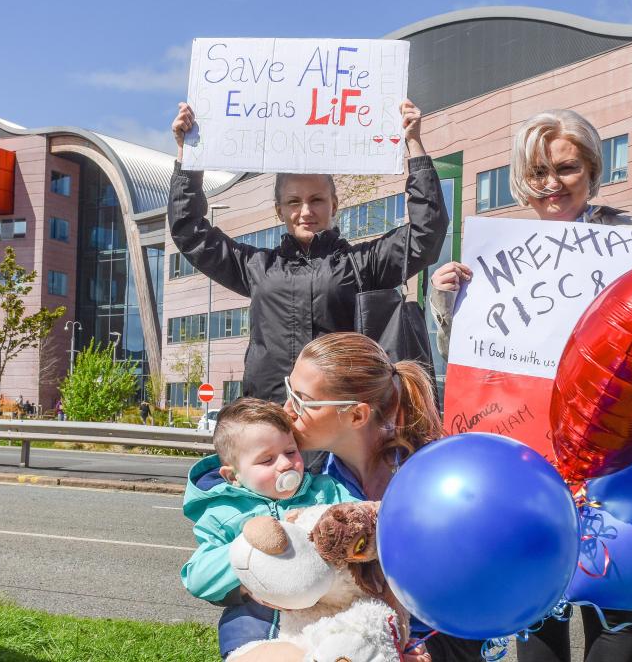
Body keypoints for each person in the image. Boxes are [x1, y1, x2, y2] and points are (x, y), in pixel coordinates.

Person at [428, 109, 632, 662]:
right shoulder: (498, 250)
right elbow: (468, 354)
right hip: (529, 441)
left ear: (593, 169)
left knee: (611, 596)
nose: (551, 183)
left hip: (618, 440)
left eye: (566, 167)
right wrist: (445, 301)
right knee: (538, 593)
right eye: (536, 172)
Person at [168, 100, 449, 411]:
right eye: (293, 202)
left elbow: (426, 232)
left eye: (316, 199)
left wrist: (414, 142)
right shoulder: (257, 267)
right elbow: (189, 232)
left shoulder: (362, 265)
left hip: (340, 424)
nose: (305, 211)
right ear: (279, 210)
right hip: (272, 423)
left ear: (334, 205)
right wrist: (188, 155)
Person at [229, 332, 479, 662]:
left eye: (302, 401)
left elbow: (475, 594)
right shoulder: (304, 478)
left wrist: (428, 648)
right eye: (289, 391)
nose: (287, 409)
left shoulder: (436, 480)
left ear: (357, 416)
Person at [180, 397, 357, 661]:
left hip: (326, 617)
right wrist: (251, 551)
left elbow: (362, 520)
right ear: (233, 476)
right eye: (267, 460)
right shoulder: (223, 513)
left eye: (290, 452)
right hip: (254, 625)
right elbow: (197, 578)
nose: (285, 464)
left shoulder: (326, 490)